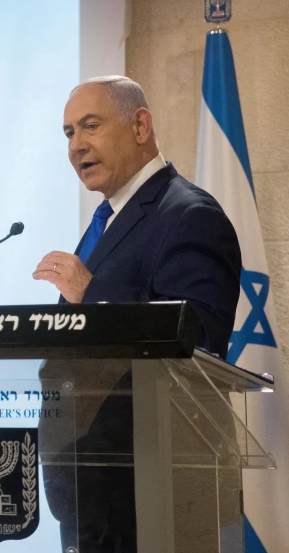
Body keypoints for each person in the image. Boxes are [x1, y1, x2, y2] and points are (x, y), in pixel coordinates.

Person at [32, 76, 242, 552]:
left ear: (141, 125)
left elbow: (201, 339)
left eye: (90, 126)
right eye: (68, 133)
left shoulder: (189, 215)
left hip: (155, 495)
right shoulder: (108, 221)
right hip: (91, 494)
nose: (76, 145)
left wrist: (93, 292)